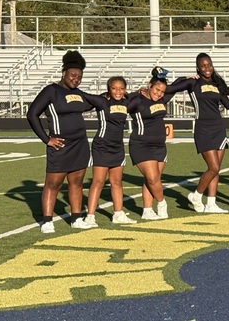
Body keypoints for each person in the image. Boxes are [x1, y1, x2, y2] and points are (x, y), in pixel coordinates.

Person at [25, 50, 98, 233]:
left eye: (79, 77)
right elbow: (32, 114)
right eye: (73, 75)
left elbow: (95, 101)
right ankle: (47, 221)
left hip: (80, 144)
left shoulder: (79, 93)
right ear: (64, 73)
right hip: (60, 145)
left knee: (77, 182)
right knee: (53, 183)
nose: (76, 79)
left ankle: (76, 218)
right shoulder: (51, 90)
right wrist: (46, 139)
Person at [169, 53, 229, 214]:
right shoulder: (192, 83)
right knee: (213, 168)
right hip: (203, 129)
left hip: (218, 129)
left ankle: (211, 204)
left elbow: (228, 104)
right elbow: (169, 88)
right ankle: (196, 195)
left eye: (209, 65)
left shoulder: (218, 83)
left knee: (217, 169)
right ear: (198, 68)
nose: (207, 68)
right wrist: (182, 78)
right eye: (203, 66)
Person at [127, 66, 184, 220]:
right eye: (156, 89)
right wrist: (134, 93)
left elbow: (179, 84)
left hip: (159, 146)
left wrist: (190, 78)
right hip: (141, 144)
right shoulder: (137, 100)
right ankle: (161, 202)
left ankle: (147, 210)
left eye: (162, 91)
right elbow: (122, 102)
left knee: (152, 179)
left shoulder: (162, 99)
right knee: (153, 178)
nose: (159, 94)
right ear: (149, 86)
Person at [83, 76, 138, 226]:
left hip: (118, 147)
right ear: (109, 89)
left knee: (117, 182)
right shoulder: (102, 101)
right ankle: (90, 216)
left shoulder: (127, 101)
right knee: (98, 182)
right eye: (114, 88)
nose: (118, 91)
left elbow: (142, 95)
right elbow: (84, 96)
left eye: (121, 88)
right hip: (102, 146)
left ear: (125, 89)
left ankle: (118, 214)